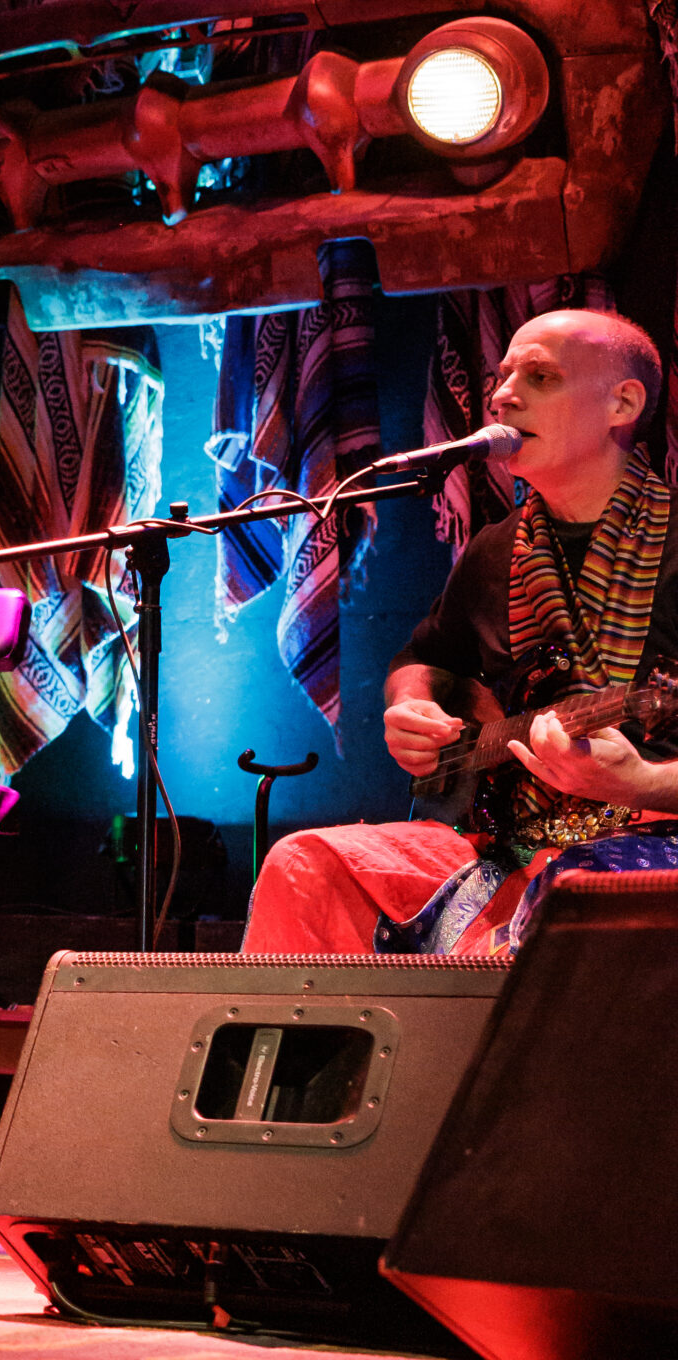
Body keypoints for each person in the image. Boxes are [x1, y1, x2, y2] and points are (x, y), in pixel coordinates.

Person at [243, 308, 678, 956]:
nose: (502, 394)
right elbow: (423, 657)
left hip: (648, 853)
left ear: (623, 402)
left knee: (566, 897)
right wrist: (410, 707)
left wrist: (639, 784)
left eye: (540, 376)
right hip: (511, 849)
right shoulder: (495, 551)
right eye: (502, 377)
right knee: (304, 863)